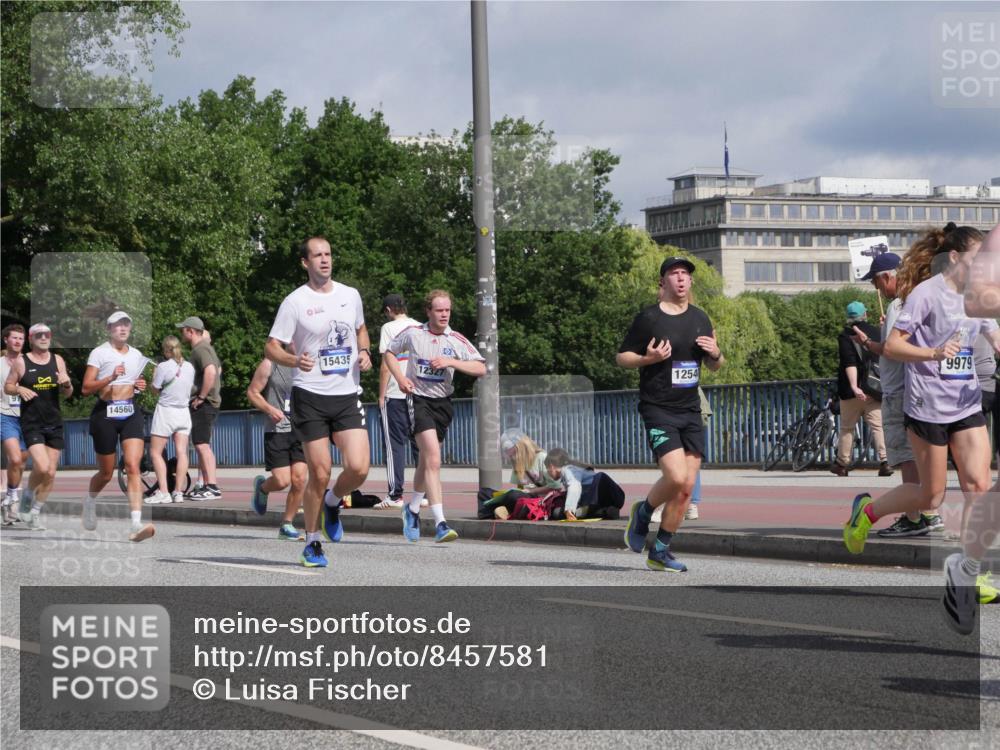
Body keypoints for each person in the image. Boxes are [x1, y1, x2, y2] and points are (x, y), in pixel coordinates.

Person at [841, 224, 1000, 633]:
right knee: (931, 495)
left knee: (979, 485)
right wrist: (933, 352)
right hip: (928, 406)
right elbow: (894, 345)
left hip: (966, 403)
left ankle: (971, 572)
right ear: (955, 258)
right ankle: (866, 512)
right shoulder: (926, 294)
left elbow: (995, 336)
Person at [265, 236, 372, 568]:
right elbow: (271, 346)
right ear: (305, 262)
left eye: (328, 254)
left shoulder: (350, 295)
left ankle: (332, 502)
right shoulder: (295, 302)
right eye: (317, 255)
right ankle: (312, 542)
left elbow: (361, 329)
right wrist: (294, 360)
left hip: (346, 394)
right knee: (320, 471)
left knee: (359, 468)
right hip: (310, 395)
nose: (324, 260)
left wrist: (365, 351)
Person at [617, 256, 723, 573]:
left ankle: (660, 551)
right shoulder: (649, 318)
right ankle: (643, 512)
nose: (680, 278)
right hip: (658, 407)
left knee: (687, 488)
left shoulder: (701, 318)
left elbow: (715, 365)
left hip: (690, 409)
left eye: (685, 274)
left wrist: (716, 353)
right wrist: (647, 359)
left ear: (690, 281)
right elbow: (622, 357)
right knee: (675, 477)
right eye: (674, 273)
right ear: (663, 282)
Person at [384, 289, 486, 544]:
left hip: (443, 403)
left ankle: (412, 509)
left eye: (447, 310)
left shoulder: (456, 339)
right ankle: (441, 522)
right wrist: (400, 378)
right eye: (439, 310)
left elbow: (480, 367)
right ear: (428, 311)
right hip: (418, 400)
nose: (444, 314)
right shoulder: (413, 333)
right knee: (434, 459)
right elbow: (389, 353)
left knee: (426, 461)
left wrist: (452, 363)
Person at [858, 253, 944, 539]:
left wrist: (871, 343)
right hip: (921, 389)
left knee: (907, 457)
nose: (877, 288)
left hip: (899, 391)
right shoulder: (923, 298)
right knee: (921, 456)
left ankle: (914, 516)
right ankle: (928, 512)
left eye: (876, 282)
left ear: (887, 277)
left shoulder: (899, 304)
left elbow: (892, 350)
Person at [81, 312, 155, 541]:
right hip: (105, 413)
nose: (122, 329)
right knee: (106, 473)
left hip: (130, 411)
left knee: (132, 466)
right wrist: (110, 377)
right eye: (117, 325)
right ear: (109, 329)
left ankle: (136, 524)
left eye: (126, 325)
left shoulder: (136, 355)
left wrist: (140, 385)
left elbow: (135, 384)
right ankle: (90, 501)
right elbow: (86, 388)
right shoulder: (99, 353)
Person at [3, 323, 73, 530]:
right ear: (31, 339)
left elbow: (68, 393)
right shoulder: (21, 362)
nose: (43, 338)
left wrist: (67, 383)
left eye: (47, 335)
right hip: (32, 422)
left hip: (54, 421)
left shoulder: (57, 360)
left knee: (50, 472)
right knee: (41, 467)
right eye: (39, 335)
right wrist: (19, 389)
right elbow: (8, 386)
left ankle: (34, 512)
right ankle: (26, 497)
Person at [247, 346, 306, 541]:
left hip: (302, 429)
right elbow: (253, 392)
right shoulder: (270, 363)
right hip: (277, 430)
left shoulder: (309, 363)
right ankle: (263, 488)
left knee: (299, 480)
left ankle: (287, 524)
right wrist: (269, 409)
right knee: (282, 481)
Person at [830, 301, 891, 477]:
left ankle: (842, 464)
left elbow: (849, 362)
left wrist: (854, 386)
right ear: (865, 314)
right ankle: (885, 461)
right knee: (878, 426)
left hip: (852, 392)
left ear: (848, 317)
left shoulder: (846, 335)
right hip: (874, 387)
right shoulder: (877, 332)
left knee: (847, 427)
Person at [376, 293, 421, 509]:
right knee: (420, 444)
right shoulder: (420, 326)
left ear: (388, 310)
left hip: (395, 392)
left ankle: (395, 495)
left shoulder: (388, 328)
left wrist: (381, 395)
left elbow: (386, 363)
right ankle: (424, 493)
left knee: (394, 445)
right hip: (418, 392)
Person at [176, 317, 223, 500]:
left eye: (183, 330)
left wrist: (202, 397)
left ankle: (212, 486)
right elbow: (216, 370)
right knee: (201, 444)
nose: (181, 333)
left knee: (202, 444)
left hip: (205, 403)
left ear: (191, 331)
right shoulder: (205, 348)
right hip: (209, 402)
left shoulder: (200, 349)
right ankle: (207, 486)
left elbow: (211, 371)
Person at [146, 335, 194, 505]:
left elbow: (155, 389)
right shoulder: (189, 367)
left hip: (166, 412)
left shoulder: (163, 366)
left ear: (166, 350)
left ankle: (164, 491)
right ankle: (178, 492)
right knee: (182, 452)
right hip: (183, 412)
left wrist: (154, 378)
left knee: (155, 452)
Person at [543, 448, 624, 520]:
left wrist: (569, 509)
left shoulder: (568, 469)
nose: (547, 472)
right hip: (606, 497)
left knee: (560, 513)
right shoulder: (568, 471)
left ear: (552, 466)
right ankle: (606, 512)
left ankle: (586, 511)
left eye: (547, 469)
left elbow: (574, 486)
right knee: (560, 513)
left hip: (609, 491)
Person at [1, 324, 27, 524]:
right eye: (14, 338)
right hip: (4, 414)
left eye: (21, 338)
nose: (18, 341)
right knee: (15, 458)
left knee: (20, 462)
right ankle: (13, 499)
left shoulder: (30, 362)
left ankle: (9, 498)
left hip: (27, 417)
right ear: (6, 340)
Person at [501, 429, 562, 493]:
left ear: (524, 447)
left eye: (515, 453)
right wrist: (522, 489)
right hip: (528, 497)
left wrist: (531, 491)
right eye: (511, 456)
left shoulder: (542, 458)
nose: (514, 458)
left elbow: (555, 486)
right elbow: (516, 486)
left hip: (545, 498)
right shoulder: (517, 464)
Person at [684, 387, 712, 521]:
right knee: (691, 457)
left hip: (679, 408)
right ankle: (691, 504)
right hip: (697, 407)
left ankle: (680, 504)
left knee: (672, 458)